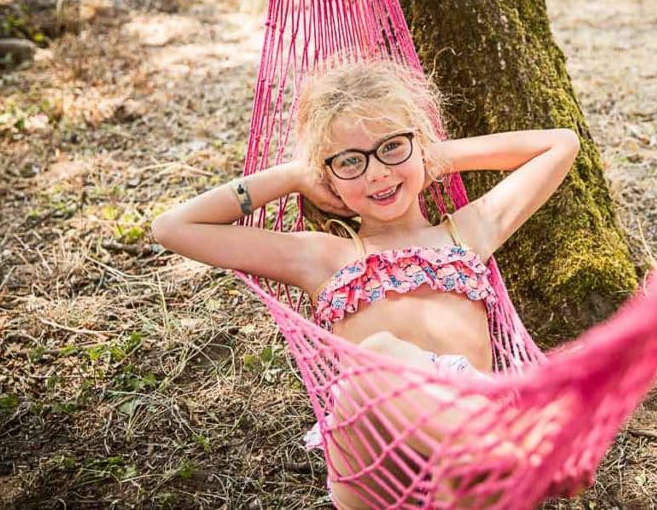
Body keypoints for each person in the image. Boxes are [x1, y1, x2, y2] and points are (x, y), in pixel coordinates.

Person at [151, 58, 580, 508]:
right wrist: (294, 176)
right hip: (377, 458)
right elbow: (174, 227)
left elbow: (559, 145)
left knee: (412, 393)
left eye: (392, 147)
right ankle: (498, 458)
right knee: (379, 354)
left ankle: (475, 464)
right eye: (351, 161)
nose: (377, 173)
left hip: (466, 417)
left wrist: (430, 156)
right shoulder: (323, 255)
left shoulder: (467, 233)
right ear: (327, 176)